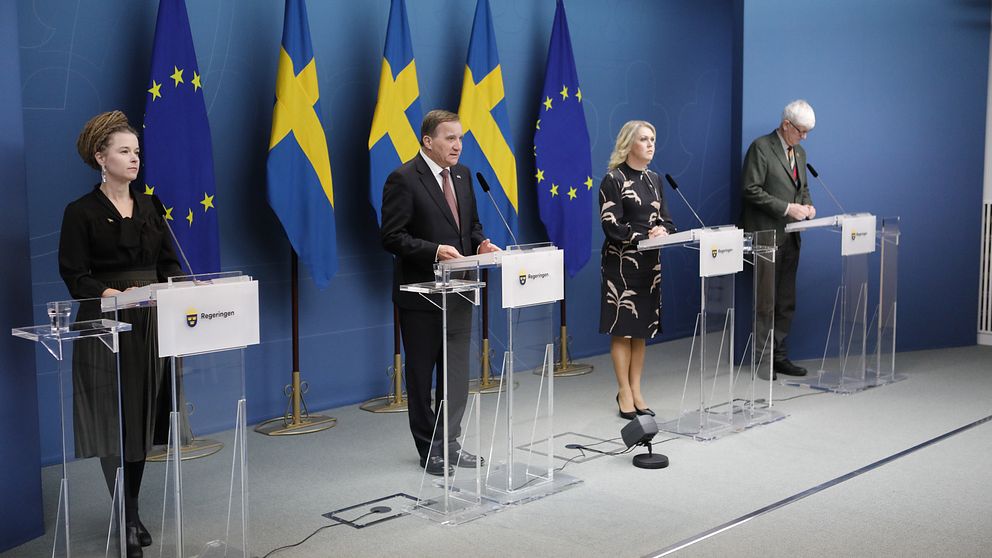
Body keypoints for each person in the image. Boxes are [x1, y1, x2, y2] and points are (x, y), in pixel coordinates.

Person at [59, 111, 183, 557]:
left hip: (153, 323)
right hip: (106, 324)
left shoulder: (151, 205)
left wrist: (171, 287)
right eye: (124, 152)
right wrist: (116, 296)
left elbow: (169, 262)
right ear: (100, 157)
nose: (134, 160)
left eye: (137, 152)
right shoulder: (81, 212)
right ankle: (127, 514)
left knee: (143, 419)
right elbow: (75, 276)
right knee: (117, 420)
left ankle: (128, 507)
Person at [380, 109, 501, 476]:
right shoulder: (403, 178)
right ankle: (428, 449)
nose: (458, 145)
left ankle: (450, 442)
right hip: (421, 295)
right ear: (427, 141)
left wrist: (481, 245)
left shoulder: (463, 176)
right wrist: (434, 251)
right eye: (450, 138)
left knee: (455, 375)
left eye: (461, 138)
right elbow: (392, 236)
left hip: (460, 290)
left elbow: (472, 227)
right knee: (420, 377)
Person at [599, 120, 676, 420]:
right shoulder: (613, 179)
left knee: (642, 330)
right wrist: (643, 236)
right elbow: (611, 225)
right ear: (629, 143)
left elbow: (667, 220)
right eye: (644, 139)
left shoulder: (655, 179)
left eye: (653, 139)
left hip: (650, 264)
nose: (650, 144)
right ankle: (623, 391)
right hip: (621, 263)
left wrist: (663, 232)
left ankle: (636, 388)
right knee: (623, 329)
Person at [741, 99, 817, 380]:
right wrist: (787, 208)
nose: (804, 136)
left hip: (792, 237)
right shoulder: (761, 148)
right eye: (801, 130)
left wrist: (807, 207)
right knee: (766, 302)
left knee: (786, 301)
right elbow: (750, 189)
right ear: (786, 125)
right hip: (766, 235)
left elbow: (803, 189)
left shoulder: (800, 152)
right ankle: (763, 361)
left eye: (808, 132)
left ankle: (779, 356)